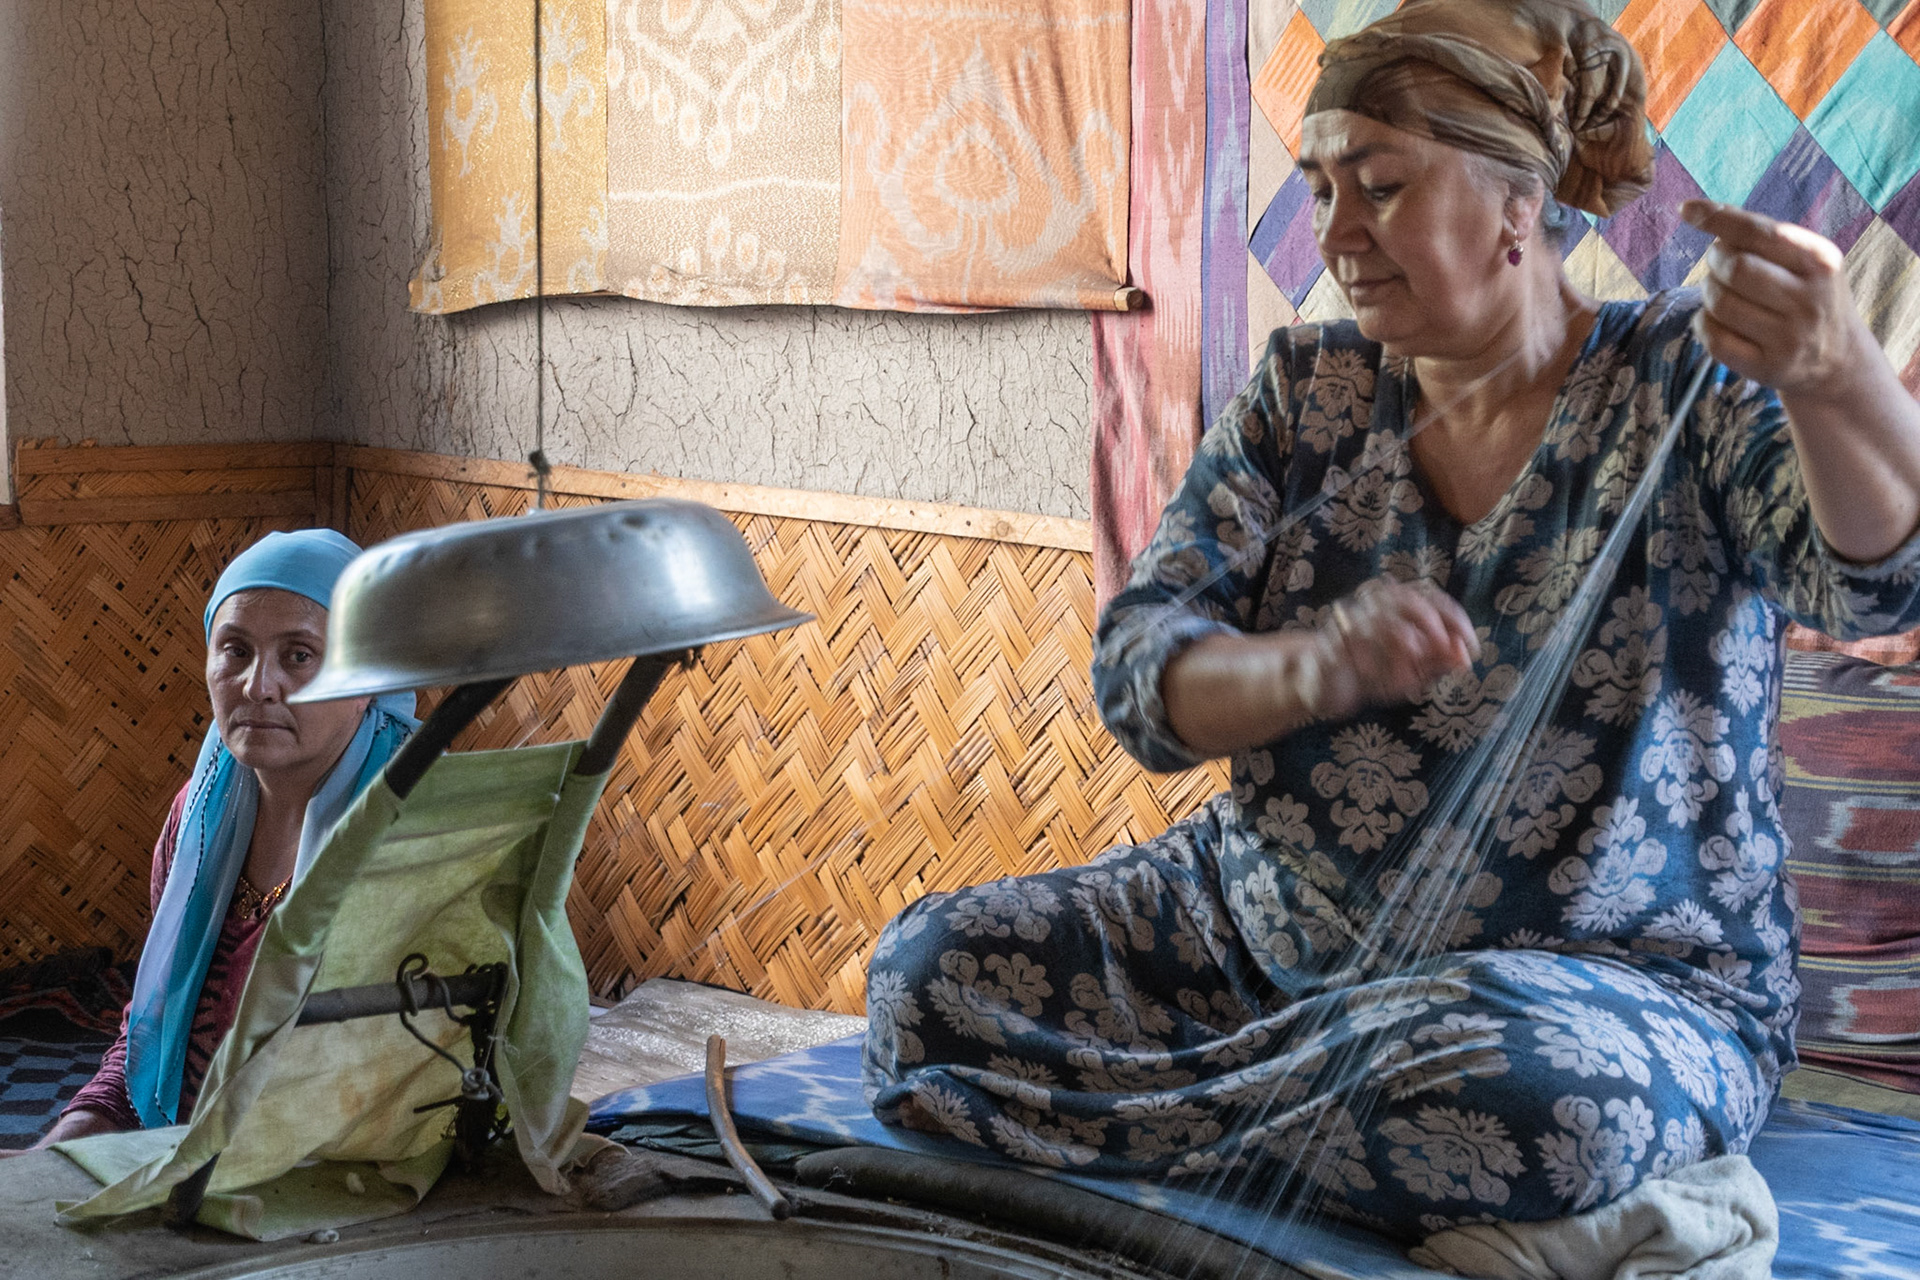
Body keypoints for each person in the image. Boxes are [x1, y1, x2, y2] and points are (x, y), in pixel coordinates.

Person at [861, 0, 1920, 1238]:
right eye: (1319, 190)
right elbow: (1140, 673)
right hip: (1260, 941)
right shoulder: (1304, 398)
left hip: (1615, 984)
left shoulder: (1679, 382)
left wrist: (1838, 375)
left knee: (1531, 1106)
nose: (1336, 233)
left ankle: (1131, 1115)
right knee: (925, 973)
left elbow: (1875, 582)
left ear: (1518, 203)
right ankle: (1353, 1126)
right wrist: (1308, 666)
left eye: (1381, 186)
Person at [10, 530, 415, 1151]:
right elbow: (148, 1035)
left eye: (301, 656)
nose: (259, 686)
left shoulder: (406, 843)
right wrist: (62, 1147)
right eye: (235, 650)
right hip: (181, 1154)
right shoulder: (198, 824)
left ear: (365, 681)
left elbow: (407, 1087)